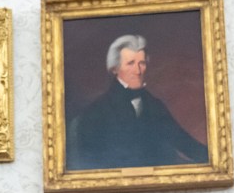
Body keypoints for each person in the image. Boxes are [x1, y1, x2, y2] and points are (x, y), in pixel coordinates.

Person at [66, 34, 209, 171]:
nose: (138, 70)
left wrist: (216, 161)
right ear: (114, 68)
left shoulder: (154, 105)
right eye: (130, 63)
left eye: (142, 63)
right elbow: (92, 165)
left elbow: (184, 142)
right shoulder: (96, 113)